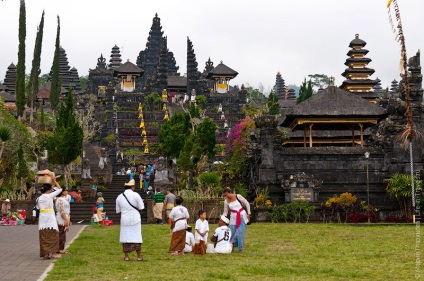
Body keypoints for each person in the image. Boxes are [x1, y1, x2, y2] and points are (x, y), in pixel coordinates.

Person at [116, 179, 145, 261]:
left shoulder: (119, 197)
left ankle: (126, 256)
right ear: (132, 187)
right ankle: (139, 256)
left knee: (125, 237)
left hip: (125, 219)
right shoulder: (136, 195)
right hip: (135, 218)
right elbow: (141, 207)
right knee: (136, 237)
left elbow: (118, 210)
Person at [37, 174, 62, 259]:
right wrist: (54, 180)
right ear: (49, 190)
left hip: (42, 219)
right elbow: (60, 189)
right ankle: (54, 253)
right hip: (50, 218)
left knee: (44, 236)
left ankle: (45, 254)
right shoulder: (50, 196)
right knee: (54, 235)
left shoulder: (39, 198)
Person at [222, 188, 251, 252]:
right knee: (232, 232)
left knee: (240, 232)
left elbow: (247, 203)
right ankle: (231, 247)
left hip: (241, 216)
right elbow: (225, 212)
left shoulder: (238, 196)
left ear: (230, 192)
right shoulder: (226, 201)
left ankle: (240, 248)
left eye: (227, 195)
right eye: (225, 195)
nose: (227, 196)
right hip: (233, 218)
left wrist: (249, 213)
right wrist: (222, 218)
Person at [55, 187, 71, 254]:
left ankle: (60, 248)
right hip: (61, 218)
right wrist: (66, 219)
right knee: (61, 233)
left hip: (64, 217)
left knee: (62, 233)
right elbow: (62, 211)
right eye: (65, 191)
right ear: (62, 192)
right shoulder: (60, 200)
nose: (67, 192)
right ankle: (60, 249)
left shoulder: (62, 199)